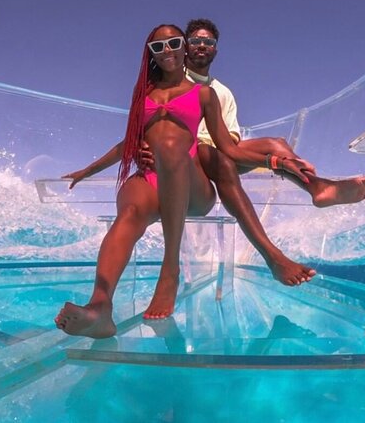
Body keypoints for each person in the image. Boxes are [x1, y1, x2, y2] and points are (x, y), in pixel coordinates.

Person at [63, 18, 365, 291]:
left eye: (208, 42)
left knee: (275, 143)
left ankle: (317, 187)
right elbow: (141, 131)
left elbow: (232, 142)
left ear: (216, 49)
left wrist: (276, 160)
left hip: (215, 150)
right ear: (184, 47)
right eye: (194, 41)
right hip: (187, 155)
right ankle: (272, 255)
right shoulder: (166, 78)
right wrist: (119, 157)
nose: (201, 46)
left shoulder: (219, 93)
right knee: (219, 157)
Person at [55, 24, 314, 338]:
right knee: (129, 214)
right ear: (150, 54)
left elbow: (230, 148)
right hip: (151, 180)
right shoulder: (143, 94)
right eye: (158, 47)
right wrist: (88, 170)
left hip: (192, 186)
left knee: (172, 147)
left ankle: (170, 270)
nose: (167, 51)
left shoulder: (204, 94)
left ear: (183, 48)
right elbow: (128, 143)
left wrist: (277, 163)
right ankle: (99, 308)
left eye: (173, 43)